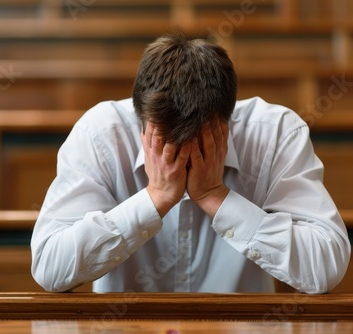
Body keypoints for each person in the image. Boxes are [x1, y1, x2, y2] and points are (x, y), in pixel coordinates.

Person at [30, 32, 351, 294]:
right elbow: (49, 266)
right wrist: (154, 199)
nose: (179, 164)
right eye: (164, 146)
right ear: (140, 121)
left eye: (197, 147)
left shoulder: (277, 133)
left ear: (227, 124)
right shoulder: (100, 135)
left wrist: (216, 197)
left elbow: (324, 269)